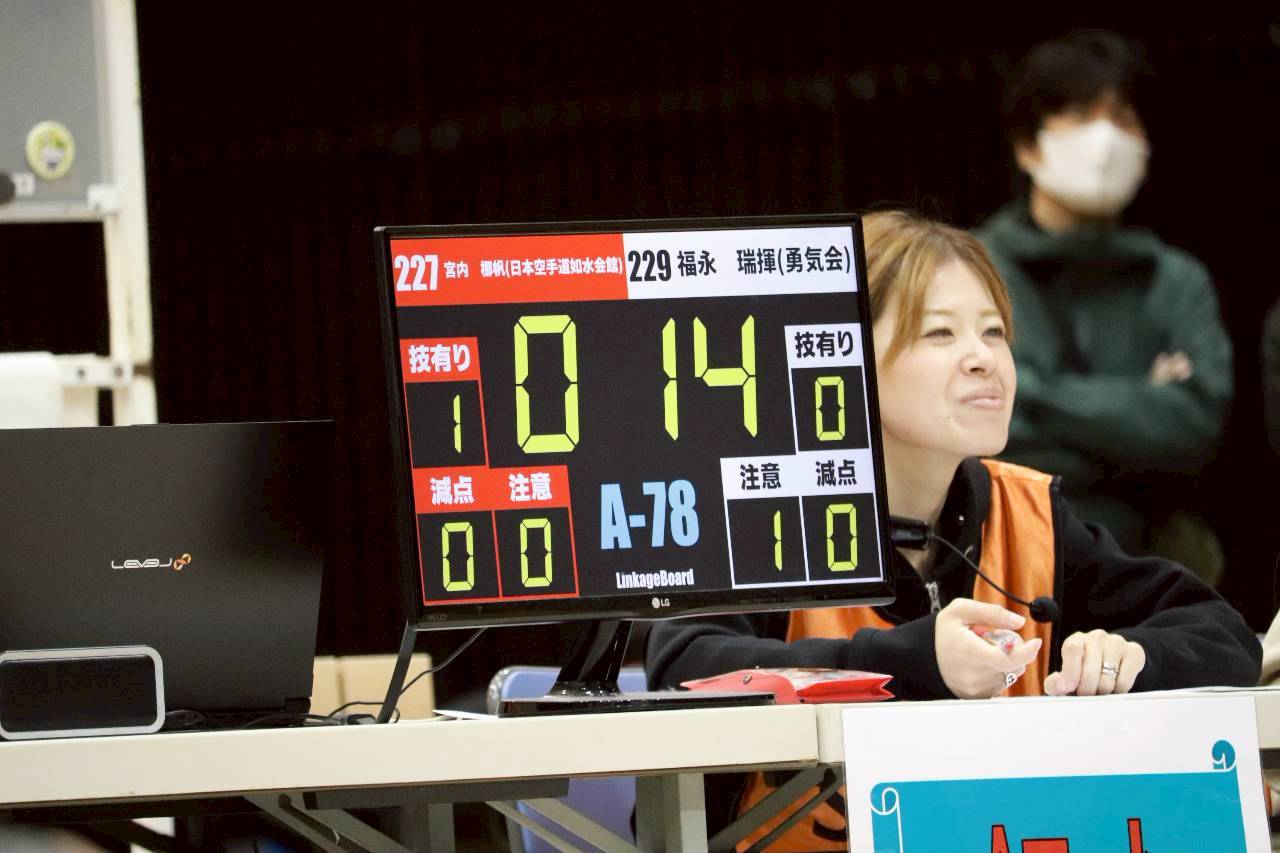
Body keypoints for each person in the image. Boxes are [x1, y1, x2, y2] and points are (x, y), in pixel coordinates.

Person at [645, 210, 1261, 849]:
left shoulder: (1029, 511)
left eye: (994, 332)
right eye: (939, 333)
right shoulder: (758, 507)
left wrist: (1131, 657)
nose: (983, 359)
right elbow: (682, 668)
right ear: (841, 356)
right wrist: (910, 663)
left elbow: (1224, 635)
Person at [975, 31, 1233, 567]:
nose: (1106, 137)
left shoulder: (1176, 278)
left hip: (1157, 561)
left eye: (1123, 117)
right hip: (1007, 555)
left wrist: (1032, 391)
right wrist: (1140, 411)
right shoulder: (973, 271)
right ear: (1027, 146)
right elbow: (980, 435)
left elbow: (1196, 429)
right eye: (1080, 115)